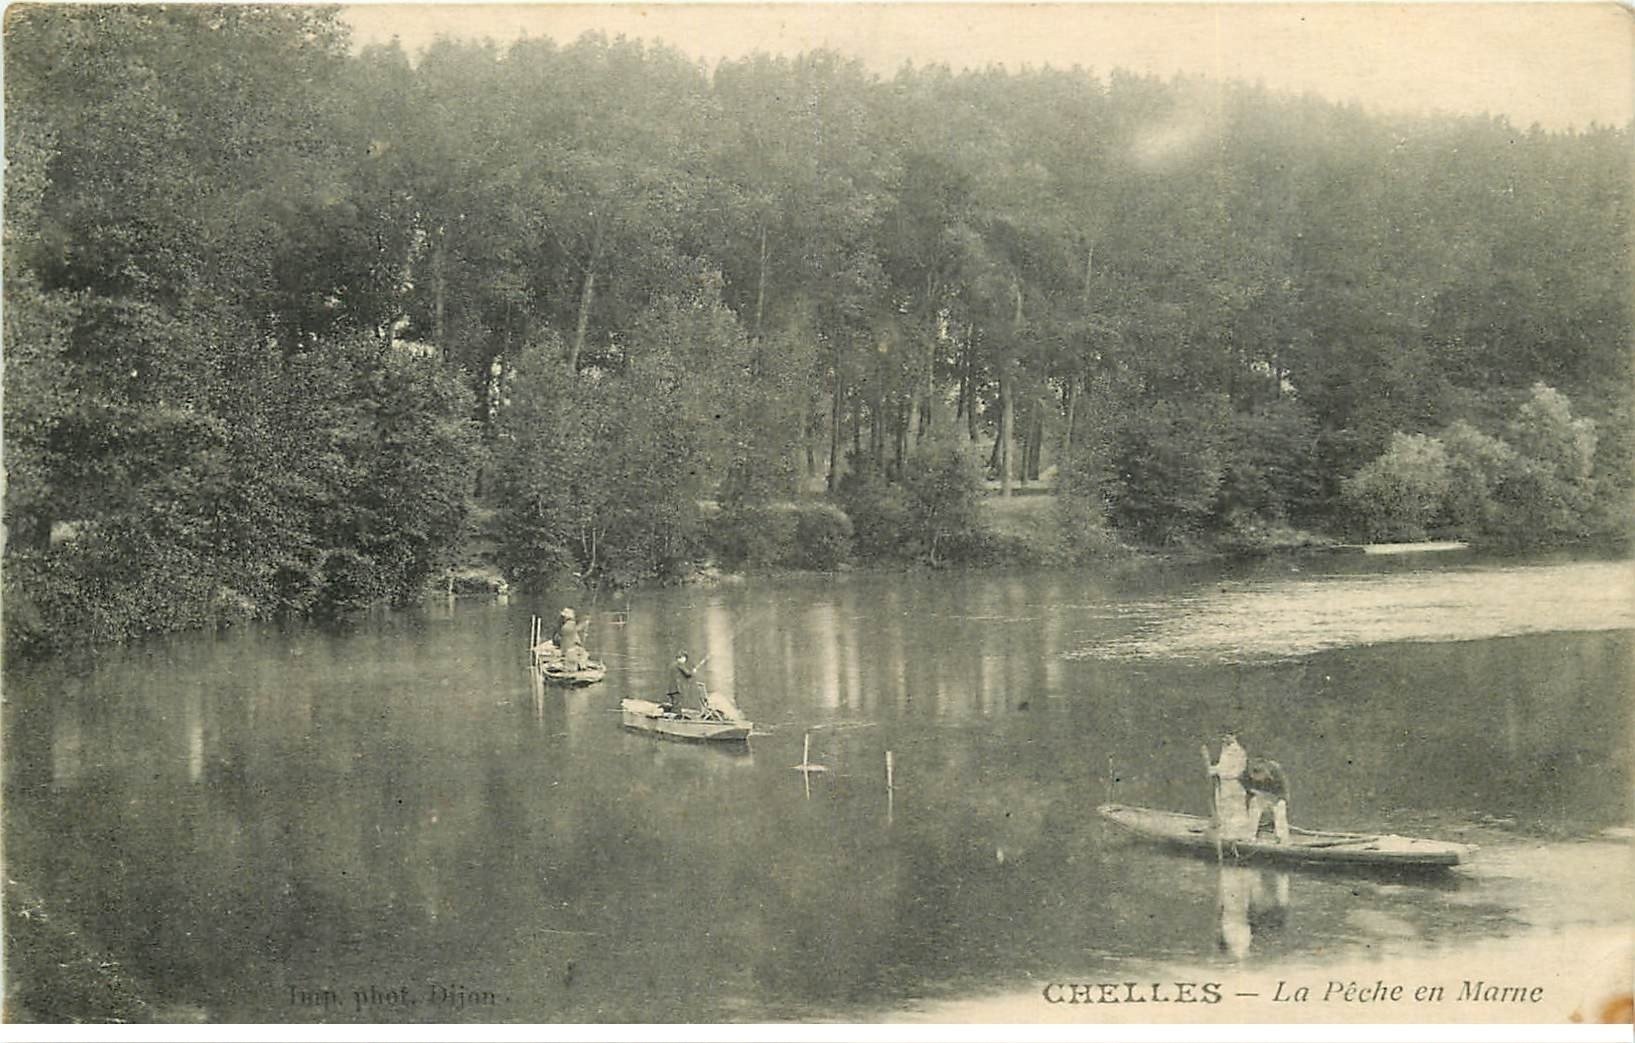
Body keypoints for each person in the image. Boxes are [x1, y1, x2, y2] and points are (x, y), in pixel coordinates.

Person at [1203, 732, 1251, 841]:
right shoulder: (1225, 749)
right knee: (1223, 807)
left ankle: (1238, 834)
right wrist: (1213, 769)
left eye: (1227, 736)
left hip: (1233, 783)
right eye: (1223, 737)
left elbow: (1237, 770)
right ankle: (1226, 832)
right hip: (1224, 783)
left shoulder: (1238, 751)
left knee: (1235, 808)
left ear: (1234, 736)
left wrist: (1218, 772)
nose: (1224, 739)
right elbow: (1222, 766)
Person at [663, 650, 696, 715]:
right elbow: (688, 674)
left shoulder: (672, 665)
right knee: (677, 706)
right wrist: (693, 672)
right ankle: (676, 720)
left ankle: (671, 719)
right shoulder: (679, 664)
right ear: (681, 658)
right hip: (676, 689)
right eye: (685, 658)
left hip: (670, 689)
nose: (685, 660)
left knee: (673, 704)